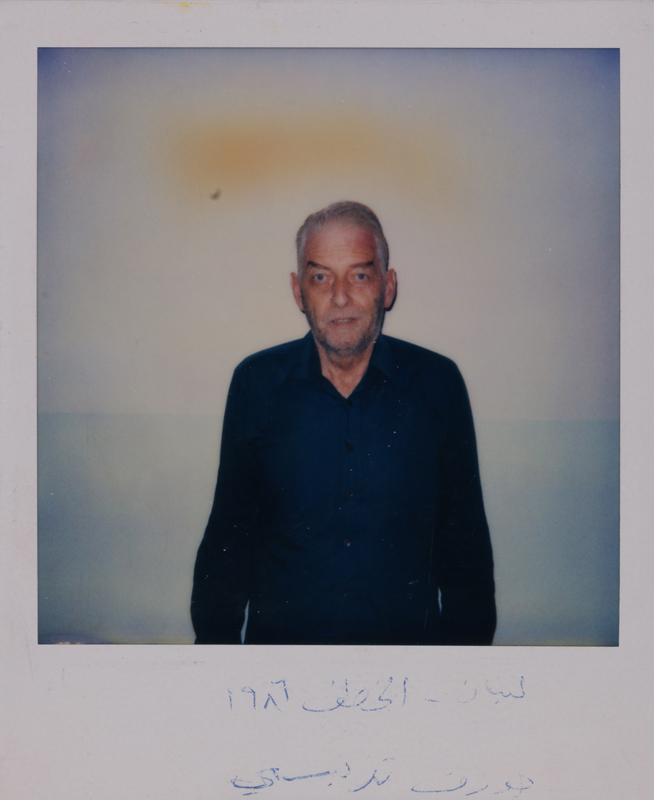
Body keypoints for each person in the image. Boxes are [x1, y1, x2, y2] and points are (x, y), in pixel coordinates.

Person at [191, 201, 496, 645]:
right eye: (320, 277)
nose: (339, 297)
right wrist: (213, 663)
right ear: (298, 291)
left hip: (403, 665)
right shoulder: (255, 385)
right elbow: (228, 538)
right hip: (283, 665)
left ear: (387, 287)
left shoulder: (438, 385)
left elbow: (465, 548)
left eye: (360, 276)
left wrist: (461, 671)